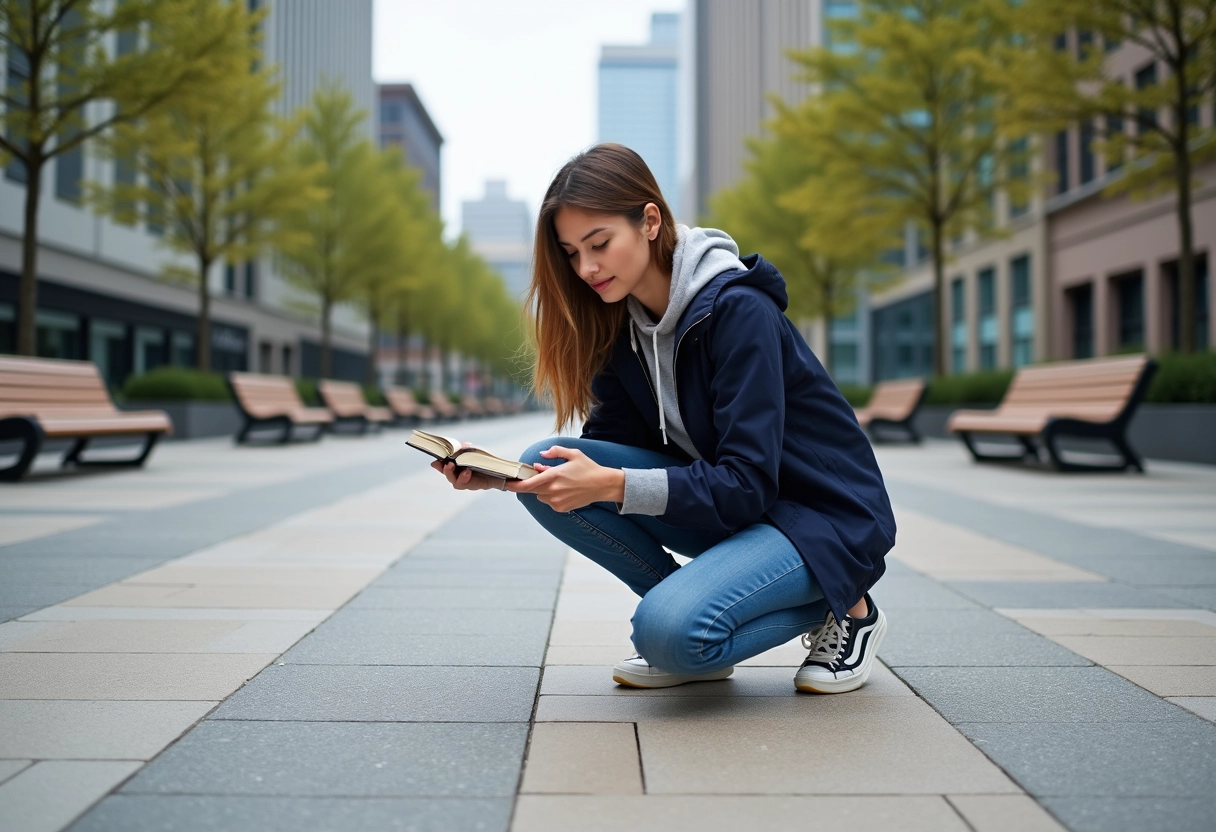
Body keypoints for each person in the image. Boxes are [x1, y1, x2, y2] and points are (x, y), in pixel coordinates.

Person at [433, 143, 895, 693]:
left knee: (667, 635)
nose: (587, 268)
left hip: (820, 517)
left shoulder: (737, 312)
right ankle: (693, 612)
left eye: (599, 244)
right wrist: (508, 478)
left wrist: (612, 483)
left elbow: (746, 481)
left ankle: (849, 606)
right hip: (741, 510)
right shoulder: (622, 327)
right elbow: (609, 448)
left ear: (650, 221)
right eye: (572, 253)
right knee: (543, 461)